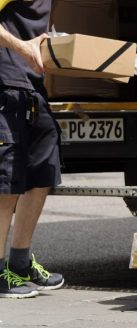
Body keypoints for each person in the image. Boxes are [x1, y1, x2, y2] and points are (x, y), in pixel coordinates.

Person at [0, 0, 64, 298]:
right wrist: (22, 47)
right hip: (5, 84)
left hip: (31, 86)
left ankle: (20, 263)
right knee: (6, 183)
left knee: (44, 169)